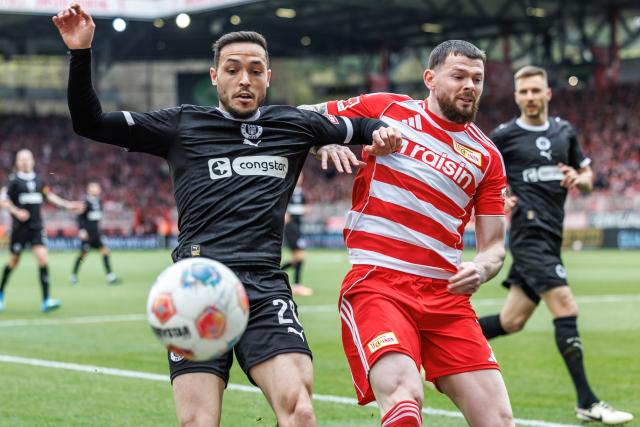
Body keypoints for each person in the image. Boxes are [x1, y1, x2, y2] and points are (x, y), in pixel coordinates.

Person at [52, 4, 401, 427]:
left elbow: (365, 126)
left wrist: (374, 135)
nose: (244, 80)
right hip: (196, 285)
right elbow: (90, 123)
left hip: (265, 286)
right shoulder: (181, 124)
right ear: (214, 76)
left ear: (268, 77)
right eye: (232, 69)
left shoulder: (294, 125)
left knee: (301, 412)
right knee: (198, 423)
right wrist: (80, 53)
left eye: (255, 70)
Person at [303, 40, 514, 426]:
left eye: (477, 79)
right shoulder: (386, 110)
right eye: (459, 75)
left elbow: (494, 246)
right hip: (379, 283)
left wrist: (481, 269)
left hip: (447, 297)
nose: (470, 85)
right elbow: (299, 116)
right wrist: (324, 141)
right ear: (430, 79)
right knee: (404, 399)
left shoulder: (488, 157)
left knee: (498, 420)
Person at [477, 65, 633, 425]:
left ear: (547, 93)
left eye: (536, 91)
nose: (530, 97)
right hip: (528, 236)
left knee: (510, 320)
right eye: (524, 92)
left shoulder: (564, 132)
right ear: (517, 97)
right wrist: (499, 198)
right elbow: (479, 176)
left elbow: (590, 177)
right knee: (565, 304)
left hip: (552, 237)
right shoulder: (503, 136)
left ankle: (441, 343)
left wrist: (580, 179)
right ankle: (588, 401)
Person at [0, 149, 80, 313]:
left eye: (27, 158)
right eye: (21, 159)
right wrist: (17, 212)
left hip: (36, 228)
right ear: (17, 162)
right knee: (13, 262)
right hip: (19, 229)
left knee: (43, 260)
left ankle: (46, 300)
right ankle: (1, 293)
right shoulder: (14, 181)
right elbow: (4, 201)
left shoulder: (39, 180)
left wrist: (68, 205)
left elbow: (50, 196)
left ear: (33, 161)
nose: (25, 161)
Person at [70, 181, 119, 285]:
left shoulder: (99, 202)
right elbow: (80, 218)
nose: (97, 189)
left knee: (105, 252)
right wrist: (82, 230)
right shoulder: (85, 202)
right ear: (89, 190)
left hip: (96, 235)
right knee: (83, 256)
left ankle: (110, 276)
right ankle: (73, 275)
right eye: (94, 188)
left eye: (98, 188)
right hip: (87, 235)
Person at [281, 173, 312, 296]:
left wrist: (304, 210)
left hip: (298, 226)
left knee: (297, 259)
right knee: (300, 256)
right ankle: (297, 285)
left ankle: (275, 274)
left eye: (301, 176)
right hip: (291, 227)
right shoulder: (288, 190)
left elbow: (307, 208)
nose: (299, 178)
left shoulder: (302, 193)